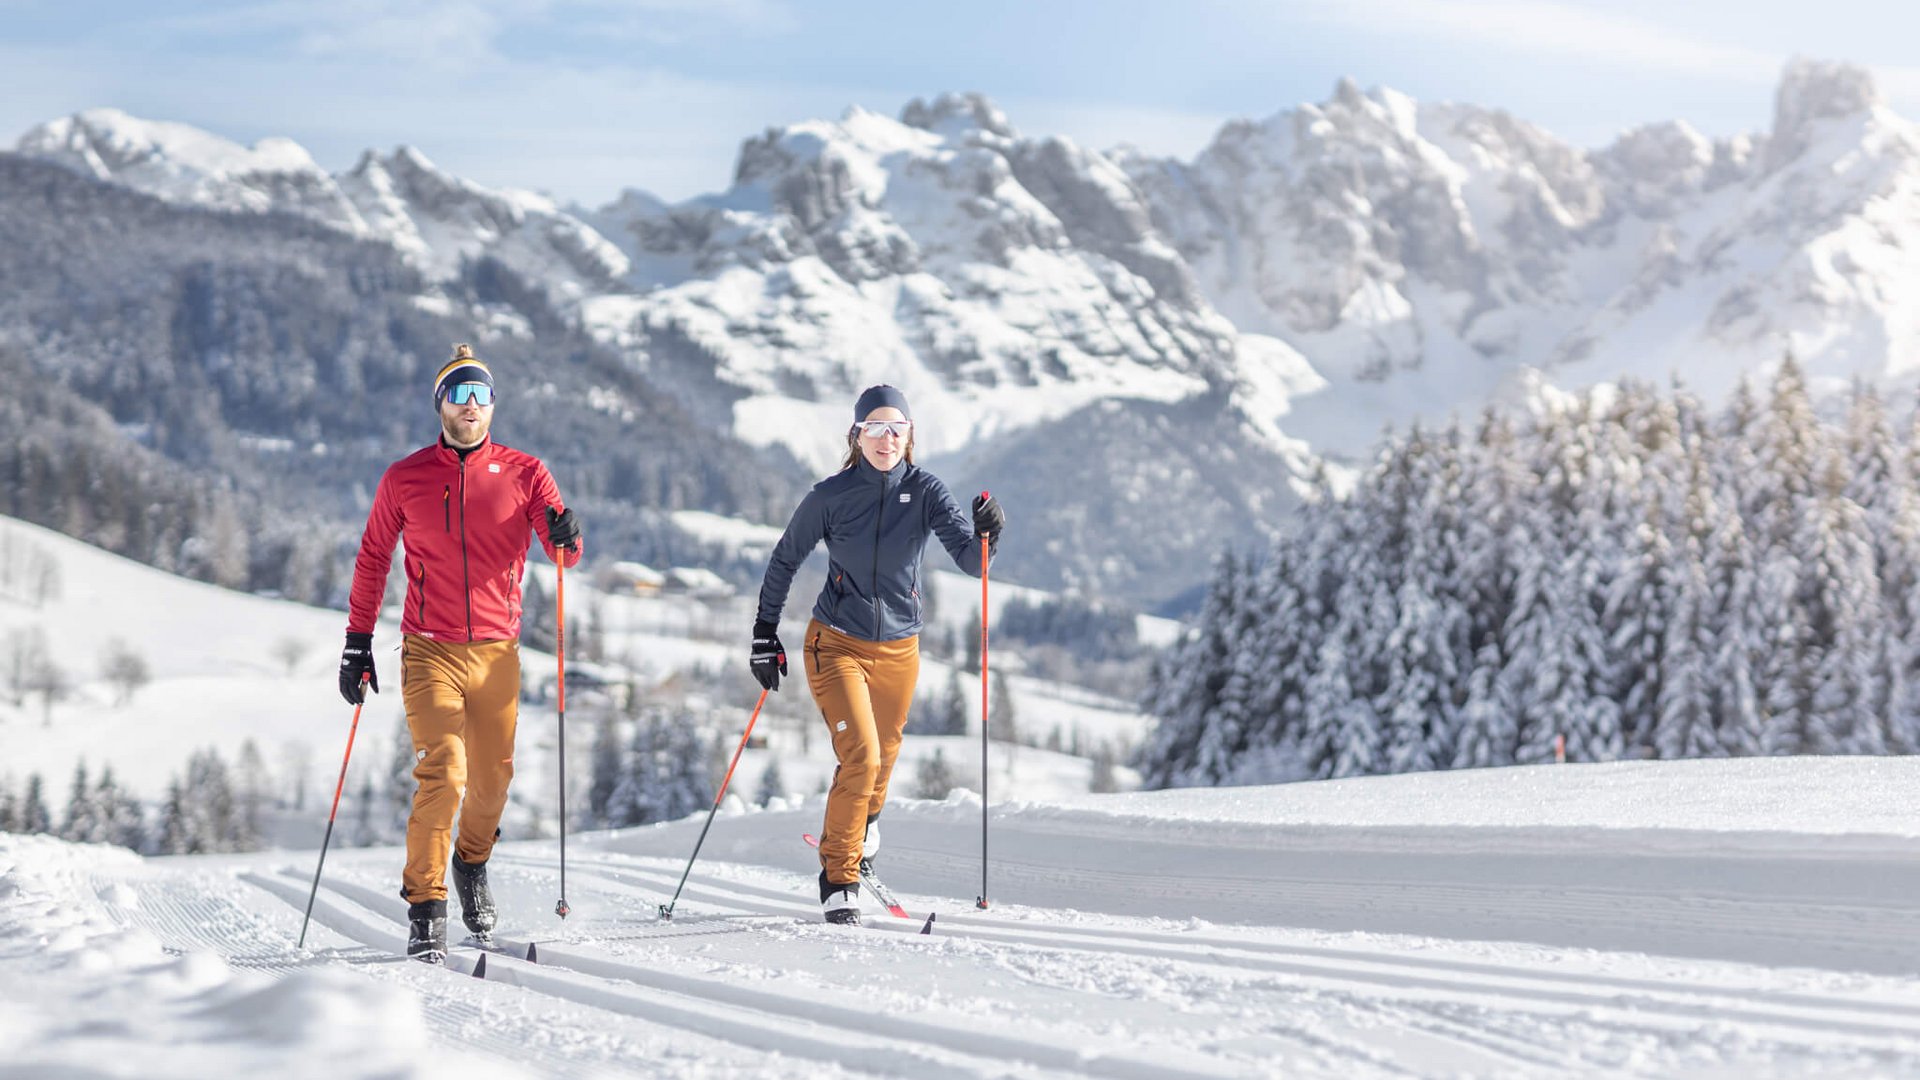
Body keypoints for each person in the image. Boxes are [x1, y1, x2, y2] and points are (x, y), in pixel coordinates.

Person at [338, 343, 582, 962]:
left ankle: (471, 862)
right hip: (429, 650)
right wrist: (356, 642)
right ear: (441, 404)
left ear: (493, 405)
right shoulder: (405, 478)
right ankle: (426, 905)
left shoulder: (527, 473)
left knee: (493, 779)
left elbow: (564, 555)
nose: (471, 405)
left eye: (481, 395)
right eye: (459, 394)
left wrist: (565, 536)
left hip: (499, 652)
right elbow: (372, 559)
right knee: (443, 772)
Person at [753, 385, 1005, 925]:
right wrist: (763, 631)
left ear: (910, 435)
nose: (886, 438)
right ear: (857, 434)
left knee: (884, 757)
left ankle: (859, 829)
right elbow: (784, 560)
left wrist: (987, 536)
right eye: (875, 428)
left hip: (899, 648)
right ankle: (839, 875)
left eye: (897, 428)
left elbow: (970, 560)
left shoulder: (928, 491)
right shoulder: (830, 496)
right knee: (861, 756)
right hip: (835, 641)